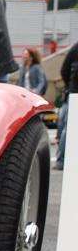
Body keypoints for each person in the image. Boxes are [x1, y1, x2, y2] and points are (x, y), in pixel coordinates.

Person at [59, 42, 76, 170]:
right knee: (69, 127)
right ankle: (62, 159)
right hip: (74, 92)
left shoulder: (75, 48)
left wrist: (69, 85)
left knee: (69, 127)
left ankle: (62, 160)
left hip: (74, 91)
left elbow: (64, 70)